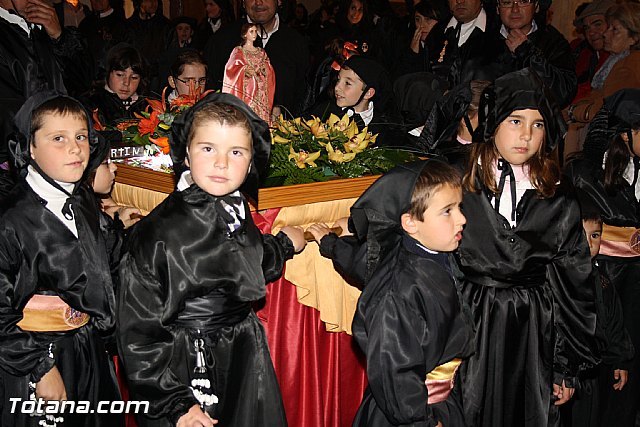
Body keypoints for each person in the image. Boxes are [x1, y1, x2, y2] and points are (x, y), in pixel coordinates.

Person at [117, 93, 306, 427]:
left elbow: (242, 261)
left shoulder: (232, 206)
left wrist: (283, 246)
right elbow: (138, 332)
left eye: (236, 152)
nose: (222, 163)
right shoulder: (158, 234)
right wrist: (177, 405)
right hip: (189, 363)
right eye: (208, 148)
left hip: (241, 352)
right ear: (186, 154)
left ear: (250, 163)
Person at [454, 68, 599, 427]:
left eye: (537, 125)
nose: (526, 135)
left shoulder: (558, 199)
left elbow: (573, 284)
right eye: (515, 120)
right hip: (470, 321)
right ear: (492, 123)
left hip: (533, 329)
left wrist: (566, 366)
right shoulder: (459, 186)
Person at [309, 159, 475, 427]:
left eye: (459, 207)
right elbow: (395, 371)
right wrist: (420, 421)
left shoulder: (438, 256)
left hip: (441, 403)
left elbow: (362, 261)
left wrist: (334, 244)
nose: (462, 219)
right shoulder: (397, 292)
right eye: (447, 211)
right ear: (410, 223)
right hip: (414, 413)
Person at [0, 92, 123, 427]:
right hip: (36, 357)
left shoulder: (82, 201)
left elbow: (112, 262)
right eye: (58, 138)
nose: (75, 148)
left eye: (81, 136)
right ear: (29, 148)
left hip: (87, 350)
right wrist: (40, 368)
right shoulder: (11, 221)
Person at [564, 89, 640, 427]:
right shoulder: (587, 172)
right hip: (603, 279)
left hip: (634, 282)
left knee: (629, 364)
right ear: (626, 134)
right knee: (601, 372)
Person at [559, 192, 634, 427]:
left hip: (594, 371)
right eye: (580, 235)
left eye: (595, 235)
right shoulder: (557, 280)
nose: (588, 243)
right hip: (565, 370)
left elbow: (614, 322)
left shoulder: (602, 281)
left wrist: (620, 360)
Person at [0, 0, 92, 164]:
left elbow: (82, 84)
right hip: (20, 164)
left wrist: (59, 37)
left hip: (64, 151)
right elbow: (10, 117)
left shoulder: (43, 29)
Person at [203, 0, 309, 116]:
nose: (258, 2)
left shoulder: (296, 43)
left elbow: (303, 96)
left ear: (279, 1)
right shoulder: (221, 41)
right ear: (243, 3)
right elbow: (209, 91)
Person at [568, 2, 640, 124]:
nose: (605, 34)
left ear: (634, 37)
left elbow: (606, 110)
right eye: (586, 28)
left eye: (614, 29)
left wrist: (574, 111)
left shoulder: (628, 65)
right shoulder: (613, 60)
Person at [308, 55, 400, 145]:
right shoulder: (324, 112)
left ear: (368, 93)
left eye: (347, 83)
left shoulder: (383, 127)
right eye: (338, 80)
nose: (337, 87)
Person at [83, 43, 148, 126]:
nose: (126, 83)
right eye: (120, 75)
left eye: (134, 77)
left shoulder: (147, 106)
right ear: (108, 73)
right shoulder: (91, 104)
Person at [222, 23, 276, 123]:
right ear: (245, 34)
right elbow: (231, 68)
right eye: (251, 31)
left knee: (262, 112)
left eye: (255, 31)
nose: (254, 34)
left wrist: (265, 69)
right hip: (248, 90)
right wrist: (244, 69)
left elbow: (268, 66)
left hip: (261, 89)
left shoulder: (261, 51)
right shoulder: (239, 51)